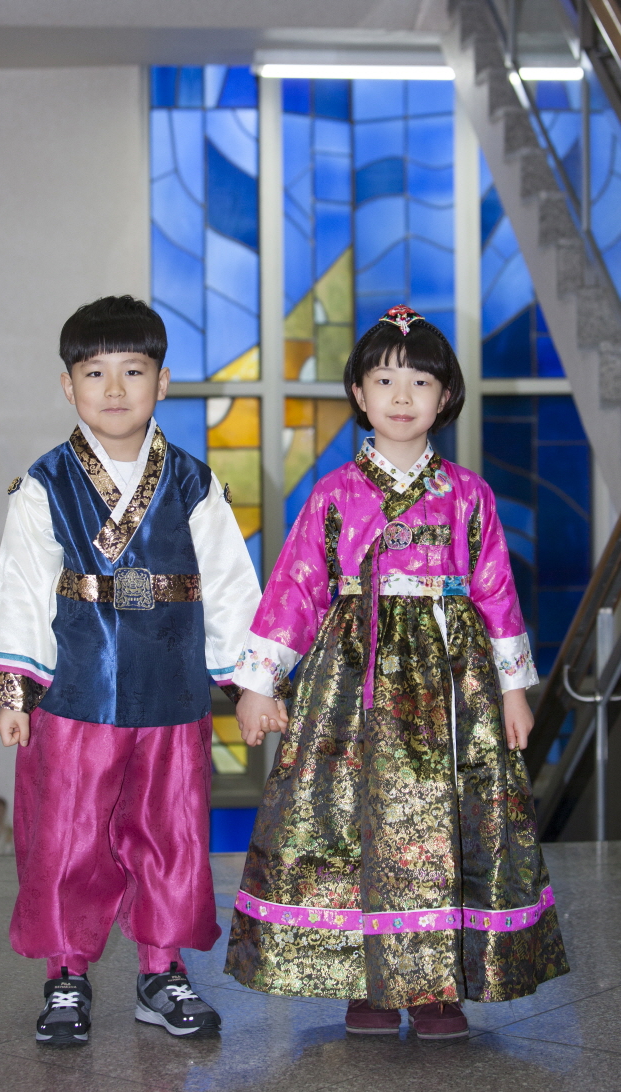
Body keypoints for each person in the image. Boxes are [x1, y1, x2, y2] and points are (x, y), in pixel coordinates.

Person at [226, 305, 569, 1039]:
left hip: (453, 684)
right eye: (385, 380)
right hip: (352, 684)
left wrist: (514, 690)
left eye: (421, 381)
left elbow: (497, 592)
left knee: (448, 820)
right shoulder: (333, 493)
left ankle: (439, 985)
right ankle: (369, 979)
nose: (403, 395)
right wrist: (258, 683)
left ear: (446, 396)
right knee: (350, 819)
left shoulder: (470, 495)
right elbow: (296, 587)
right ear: (358, 392)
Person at [0, 295, 262, 1046]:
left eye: (133, 371)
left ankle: (161, 970)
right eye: (93, 372)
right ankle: (66, 973)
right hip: (74, 698)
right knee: (69, 837)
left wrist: (251, 682)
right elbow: (19, 589)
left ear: (162, 382)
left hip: (172, 695)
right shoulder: (45, 485)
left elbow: (231, 585)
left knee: (172, 836)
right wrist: (13, 693)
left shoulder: (194, 483)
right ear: (67, 385)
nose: (112, 388)